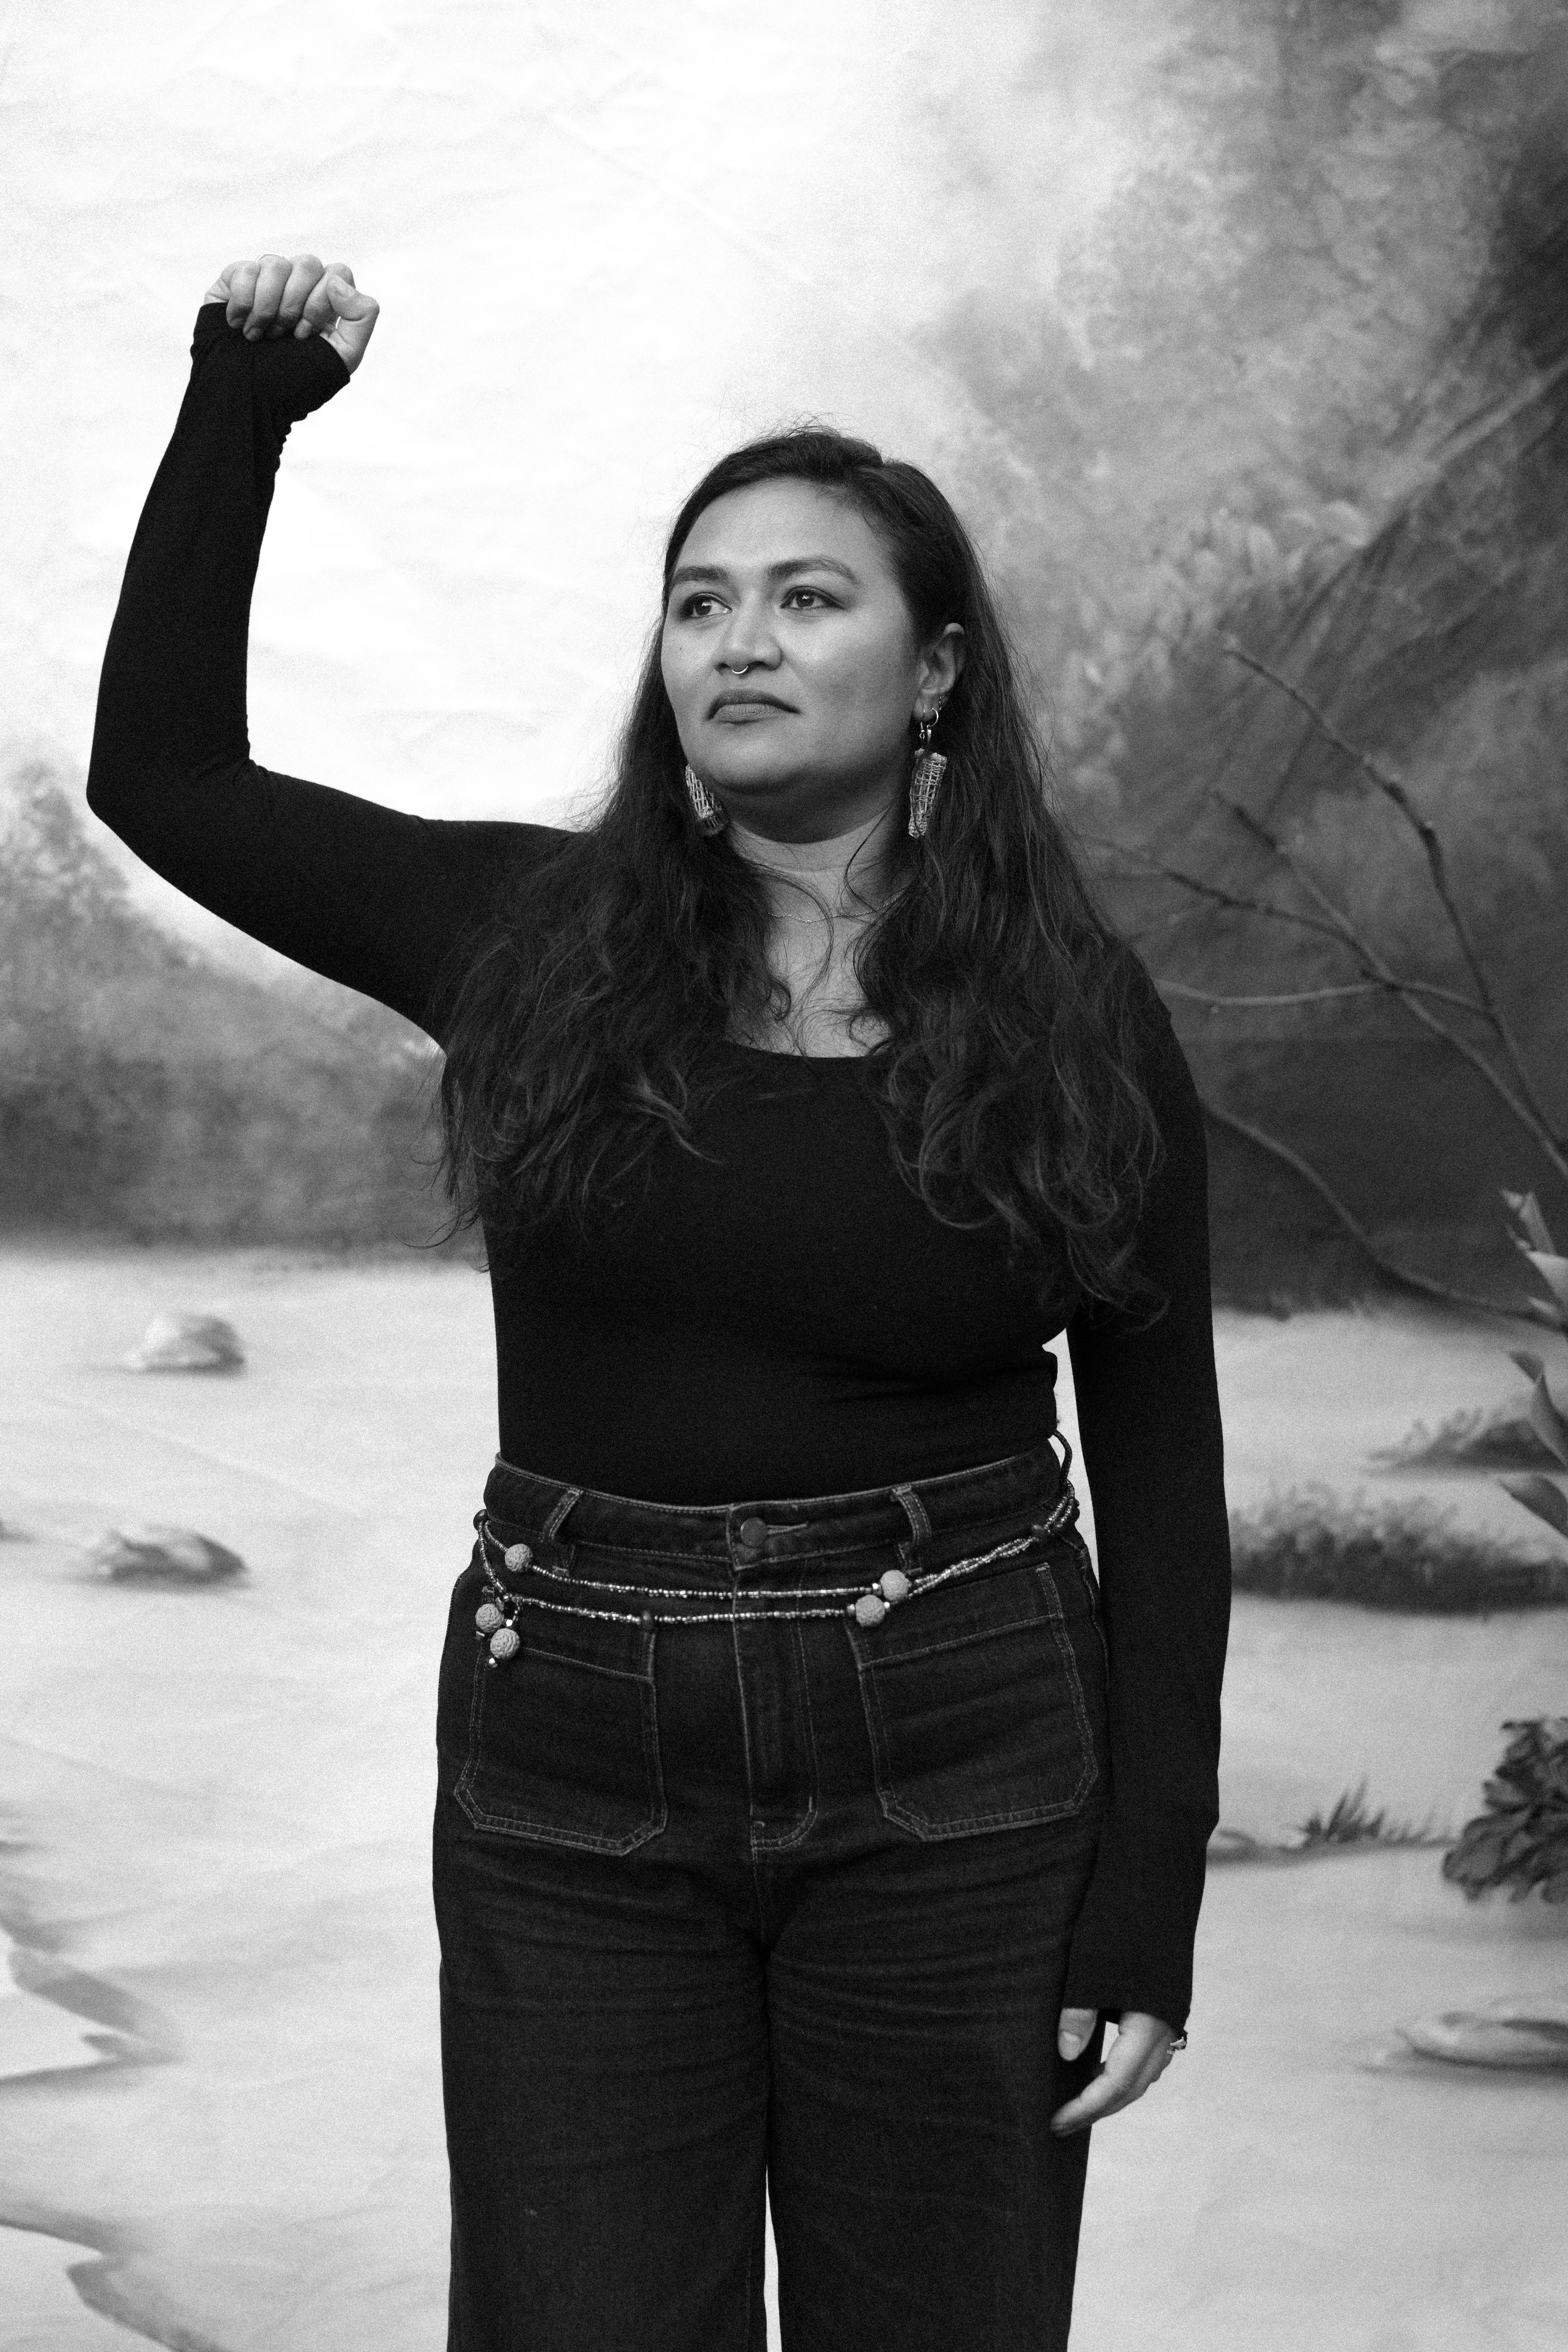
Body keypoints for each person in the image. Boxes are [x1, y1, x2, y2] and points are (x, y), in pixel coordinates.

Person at [87, 252, 1231, 2352]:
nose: (740, 638)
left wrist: (1145, 1892)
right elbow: (161, 780)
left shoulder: (1074, 1008)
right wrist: (242, 404)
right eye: (702, 601)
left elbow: (1164, 1459)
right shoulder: (524, 934)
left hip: (968, 1753)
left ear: (937, 666)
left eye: (807, 596)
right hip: (572, 1756)